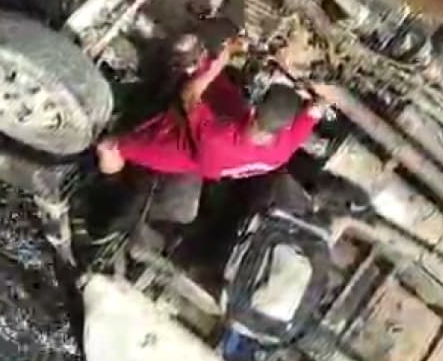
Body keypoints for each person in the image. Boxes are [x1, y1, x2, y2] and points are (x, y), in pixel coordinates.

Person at [95, 25, 327, 224]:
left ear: (254, 108)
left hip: (183, 145)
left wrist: (225, 56)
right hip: (226, 118)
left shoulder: (218, 139)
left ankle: (108, 180)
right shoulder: (285, 146)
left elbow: (190, 95)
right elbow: (316, 109)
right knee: (202, 59)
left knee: (109, 147)